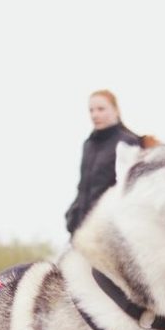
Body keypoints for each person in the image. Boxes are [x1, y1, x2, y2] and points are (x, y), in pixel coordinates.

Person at [64, 90, 141, 235]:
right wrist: (72, 215)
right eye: (91, 110)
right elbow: (83, 186)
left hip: (110, 228)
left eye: (101, 109)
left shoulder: (128, 143)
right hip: (82, 228)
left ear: (116, 110)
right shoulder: (88, 144)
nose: (95, 115)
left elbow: (130, 191)